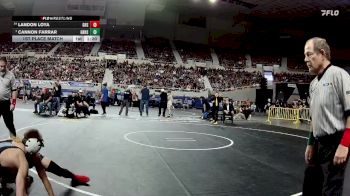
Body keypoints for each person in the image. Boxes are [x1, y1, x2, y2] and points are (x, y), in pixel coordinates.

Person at [302, 37, 350, 196]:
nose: (305, 59)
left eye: (309, 54)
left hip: (335, 142)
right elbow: (315, 117)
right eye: (305, 55)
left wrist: (345, 144)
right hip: (318, 143)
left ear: (322, 53)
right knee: (310, 186)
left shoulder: (339, 75)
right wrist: (310, 143)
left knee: (331, 190)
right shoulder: (313, 84)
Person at [0, 129, 90, 195]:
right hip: (14, 159)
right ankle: (4, 186)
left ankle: (74, 177)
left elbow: (44, 177)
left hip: (18, 156)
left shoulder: (28, 151)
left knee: (55, 168)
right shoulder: (19, 156)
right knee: (23, 178)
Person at [0, 57, 17, 137]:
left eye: (4, 66)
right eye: (0, 66)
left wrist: (13, 103)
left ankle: (14, 141)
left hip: (6, 104)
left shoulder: (11, 75)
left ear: (6, 64)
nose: (2, 68)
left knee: (10, 124)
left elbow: (14, 90)